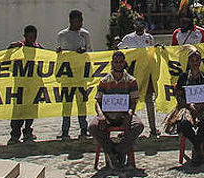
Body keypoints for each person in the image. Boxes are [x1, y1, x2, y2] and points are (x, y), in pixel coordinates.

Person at [166, 49, 204, 165]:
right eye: (192, 60)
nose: (195, 62)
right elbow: (178, 96)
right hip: (186, 106)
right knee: (184, 123)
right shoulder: (183, 77)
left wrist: (201, 105)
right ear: (189, 62)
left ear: (200, 62)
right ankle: (198, 148)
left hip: (203, 106)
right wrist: (189, 105)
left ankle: (196, 149)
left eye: (197, 60)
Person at [91, 50, 143, 169]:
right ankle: (110, 149)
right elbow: (97, 101)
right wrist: (101, 115)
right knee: (93, 127)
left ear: (124, 63)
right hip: (107, 115)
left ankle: (119, 150)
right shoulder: (104, 81)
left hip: (124, 114)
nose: (118, 64)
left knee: (138, 125)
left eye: (120, 62)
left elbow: (133, 101)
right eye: (116, 62)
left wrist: (130, 112)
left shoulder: (131, 80)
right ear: (112, 63)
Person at [117, 16, 160, 139]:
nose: (139, 25)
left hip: (147, 75)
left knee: (149, 101)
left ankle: (153, 128)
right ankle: (127, 128)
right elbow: (120, 51)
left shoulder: (149, 38)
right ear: (134, 25)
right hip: (133, 75)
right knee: (131, 102)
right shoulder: (128, 38)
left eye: (142, 23)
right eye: (137, 23)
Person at [57, 10, 91, 140]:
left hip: (81, 76)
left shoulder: (85, 34)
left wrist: (84, 51)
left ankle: (84, 128)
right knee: (67, 104)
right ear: (71, 21)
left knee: (82, 103)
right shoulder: (62, 35)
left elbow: (91, 52)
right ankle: (65, 129)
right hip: (68, 77)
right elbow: (60, 55)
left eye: (81, 21)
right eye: (78, 21)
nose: (80, 23)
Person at [7, 25, 41, 144]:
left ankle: (28, 131)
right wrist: (10, 48)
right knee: (18, 111)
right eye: (30, 36)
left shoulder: (38, 48)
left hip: (33, 85)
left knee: (31, 110)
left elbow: (46, 62)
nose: (32, 38)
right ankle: (15, 134)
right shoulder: (18, 48)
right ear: (25, 36)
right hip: (20, 85)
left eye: (34, 36)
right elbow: (6, 59)